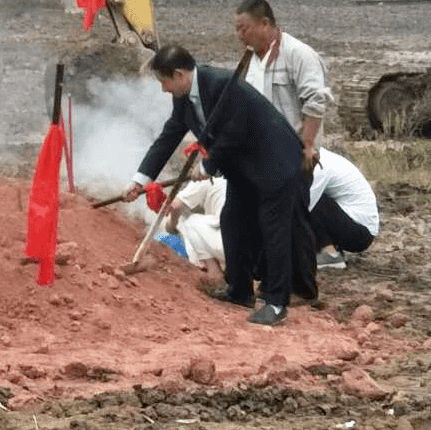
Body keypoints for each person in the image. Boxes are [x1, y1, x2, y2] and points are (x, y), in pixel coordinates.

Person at [121, 45, 316, 326]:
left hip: (276, 164)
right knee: (233, 219)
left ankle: (276, 303)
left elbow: (235, 132)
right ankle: (239, 290)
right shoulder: (184, 98)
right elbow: (169, 136)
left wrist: (207, 166)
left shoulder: (223, 85)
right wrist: (141, 180)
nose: (163, 89)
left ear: (178, 75)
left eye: (164, 82)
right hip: (242, 168)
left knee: (274, 229)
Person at [234, 0, 333, 171]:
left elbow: (316, 101)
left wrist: (308, 144)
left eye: (244, 29)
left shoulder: (299, 54)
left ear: (264, 24)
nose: (239, 36)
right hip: (260, 157)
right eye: (237, 30)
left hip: (294, 157)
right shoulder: (248, 61)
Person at [309, 146, 380, 270]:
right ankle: (329, 250)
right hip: (356, 225)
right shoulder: (321, 156)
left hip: (360, 234)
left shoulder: (321, 164)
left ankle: (329, 254)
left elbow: (303, 206)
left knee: (309, 200)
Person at [166, 178, 227, 278]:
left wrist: (170, 228)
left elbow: (176, 207)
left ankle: (215, 275)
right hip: (255, 254)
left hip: (228, 247)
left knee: (186, 220)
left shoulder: (206, 178)